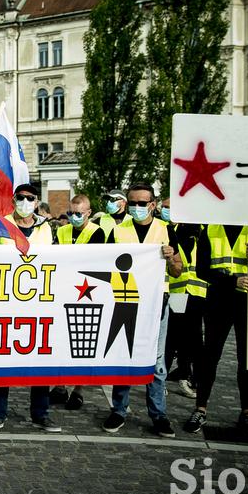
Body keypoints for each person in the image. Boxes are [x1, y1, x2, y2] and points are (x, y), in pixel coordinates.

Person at [101, 184, 182, 438]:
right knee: (124, 354)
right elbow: (104, 262)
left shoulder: (165, 230)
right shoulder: (118, 230)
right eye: (132, 202)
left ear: (152, 204)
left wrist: (170, 258)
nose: (136, 207)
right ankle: (119, 410)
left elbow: (178, 269)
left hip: (157, 302)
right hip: (126, 301)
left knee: (157, 362)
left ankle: (158, 414)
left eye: (141, 203)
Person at [183, 222, 248, 439]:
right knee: (210, 356)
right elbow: (202, 269)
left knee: (247, 358)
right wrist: (233, 280)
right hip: (219, 301)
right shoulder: (212, 229)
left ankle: (247, 412)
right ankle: (200, 409)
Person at [0, 183, 59, 434]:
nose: (25, 202)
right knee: (3, 361)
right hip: (7, 303)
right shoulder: (1, 225)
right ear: (13, 199)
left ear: (37, 202)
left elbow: (60, 260)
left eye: (30, 198)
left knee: (41, 361)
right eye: (21, 198)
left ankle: (41, 414)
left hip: (40, 304)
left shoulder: (47, 228)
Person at [52, 194, 106, 411]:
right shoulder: (62, 230)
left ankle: (79, 390)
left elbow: (91, 261)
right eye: (71, 213)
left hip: (88, 292)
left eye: (78, 214)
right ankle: (60, 386)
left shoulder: (97, 232)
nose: (74, 217)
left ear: (89, 213)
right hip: (65, 289)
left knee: (84, 342)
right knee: (62, 340)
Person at [161, 199, 204, 401]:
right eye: (164, 207)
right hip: (177, 291)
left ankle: (186, 375)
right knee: (171, 337)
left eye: (169, 207)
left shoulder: (196, 229)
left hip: (196, 291)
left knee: (193, 338)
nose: (165, 210)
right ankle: (165, 377)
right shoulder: (166, 229)